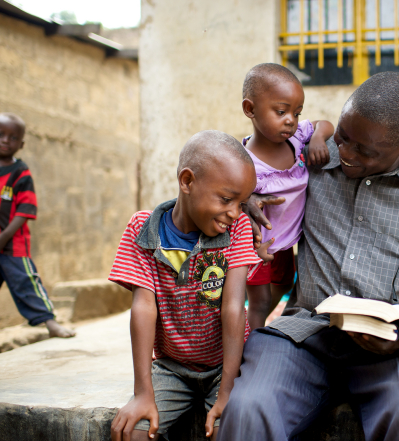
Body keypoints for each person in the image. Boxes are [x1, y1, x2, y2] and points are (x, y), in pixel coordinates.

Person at [217, 72, 399, 441]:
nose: (347, 155)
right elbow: (240, 173)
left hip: (396, 345)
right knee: (249, 409)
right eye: (344, 137)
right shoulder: (310, 159)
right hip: (306, 331)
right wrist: (246, 198)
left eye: (365, 151)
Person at [108, 131, 263, 441]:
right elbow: (143, 308)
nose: (235, 212)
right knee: (131, 434)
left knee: (230, 428)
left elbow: (234, 307)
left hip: (225, 366)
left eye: (241, 202)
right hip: (171, 367)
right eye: (226, 199)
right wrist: (142, 393)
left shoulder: (239, 229)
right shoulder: (143, 230)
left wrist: (228, 390)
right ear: (188, 181)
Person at [241, 63, 334, 331]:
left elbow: (326, 124)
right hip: (256, 244)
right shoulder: (244, 162)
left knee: (283, 285)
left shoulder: (297, 140)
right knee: (258, 302)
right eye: (281, 112)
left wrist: (317, 138)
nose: (291, 120)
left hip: (285, 244)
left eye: (297, 112)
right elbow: (230, 196)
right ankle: (250, 352)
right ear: (250, 109)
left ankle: (249, 329)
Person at [0, 112, 75, 338]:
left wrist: (3, 238)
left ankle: (50, 323)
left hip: (13, 246)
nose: (5, 140)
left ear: (21, 144)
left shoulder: (20, 173)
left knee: (26, 283)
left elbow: (25, 211)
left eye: (12, 138)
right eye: (1, 134)